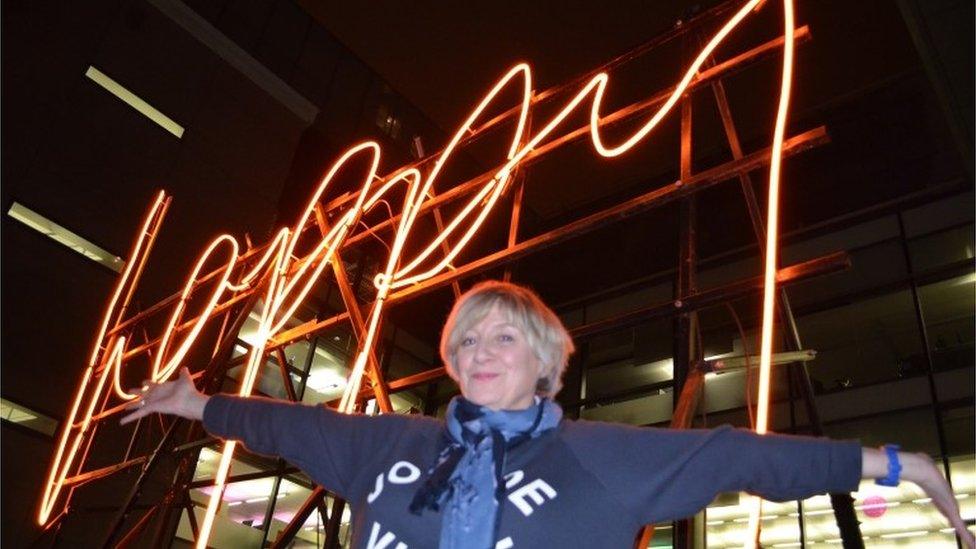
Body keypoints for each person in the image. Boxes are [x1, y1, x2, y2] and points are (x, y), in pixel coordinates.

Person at [122, 281, 973, 548]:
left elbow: (743, 456)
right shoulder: (389, 442)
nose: (479, 352)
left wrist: (905, 464)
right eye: (466, 342)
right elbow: (282, 424)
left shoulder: (600, 456)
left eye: (504, 337)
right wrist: (197, 402)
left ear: (545, 359)